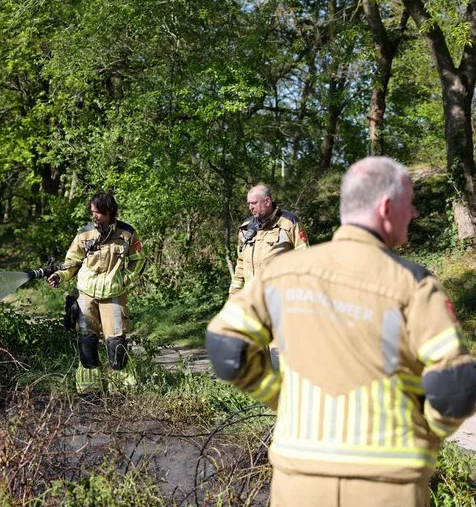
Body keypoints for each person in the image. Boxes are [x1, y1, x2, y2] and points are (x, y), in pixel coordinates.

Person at [206, 157, 476, 507]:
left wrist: (280, 399)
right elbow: (457, 386)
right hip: (387, 484)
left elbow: (225, 346)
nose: (413, 214)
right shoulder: (415, 286)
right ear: (386, 207)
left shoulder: (283, 273)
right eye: (410, 206)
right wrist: (425, 437)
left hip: (298, 479)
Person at [48, 192, 145, 393]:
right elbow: (71, 262)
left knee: (116, 343)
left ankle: (121, 389)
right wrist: (60, 275)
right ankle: (89, 389)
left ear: (109, 211)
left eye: (98, 212)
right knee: (87, 341)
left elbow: (139, 260)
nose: (95, 216)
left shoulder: (127, 233)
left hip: (114, 294)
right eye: (92, 212)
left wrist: (125, 279)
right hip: (85, 295)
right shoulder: (84, 234)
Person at [229, 185, 309, 296]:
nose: (250, 207)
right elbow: (241, 265)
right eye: (249, 204)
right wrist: (233, 296)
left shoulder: (289, 223)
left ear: (267, 201)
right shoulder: (246, 228)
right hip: (252, 300)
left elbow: (304, 261)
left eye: (254, 203)